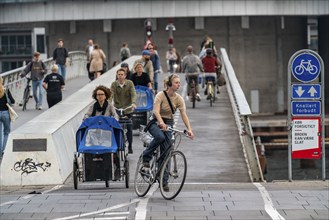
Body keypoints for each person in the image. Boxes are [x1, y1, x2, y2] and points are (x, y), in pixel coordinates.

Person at [142, 74, 194, 192]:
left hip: (168, 123)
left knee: (168, 150)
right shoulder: (160, 95)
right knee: (160, 137)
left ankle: (163, 181)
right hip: (155, 121)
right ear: (169, 84)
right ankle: (146, 156)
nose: (178, 85)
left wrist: (189, 129)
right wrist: (161, 122)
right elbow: (156, 111)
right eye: (176, 82)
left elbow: (183, 114)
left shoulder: (179, 99)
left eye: (179, 83)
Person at [110, 68, 136, 154]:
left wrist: (133, 103)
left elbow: (133, 94)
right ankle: (116, 144)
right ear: (117, 76)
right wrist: (109, 104)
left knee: (129, 127)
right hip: (117, 108)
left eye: (122, 74)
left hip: (127, 109)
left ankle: (130, 145)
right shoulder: (114, 84)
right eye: (119, 75)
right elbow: (111, 95)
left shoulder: (130, 83)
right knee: (116, 126)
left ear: (125, 76)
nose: (120, 76)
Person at [0, 76, 15, 157]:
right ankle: (4, 151)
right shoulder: (6, 90)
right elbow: (13, 101)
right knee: (6, 133)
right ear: (2, 81)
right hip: (5, 113)